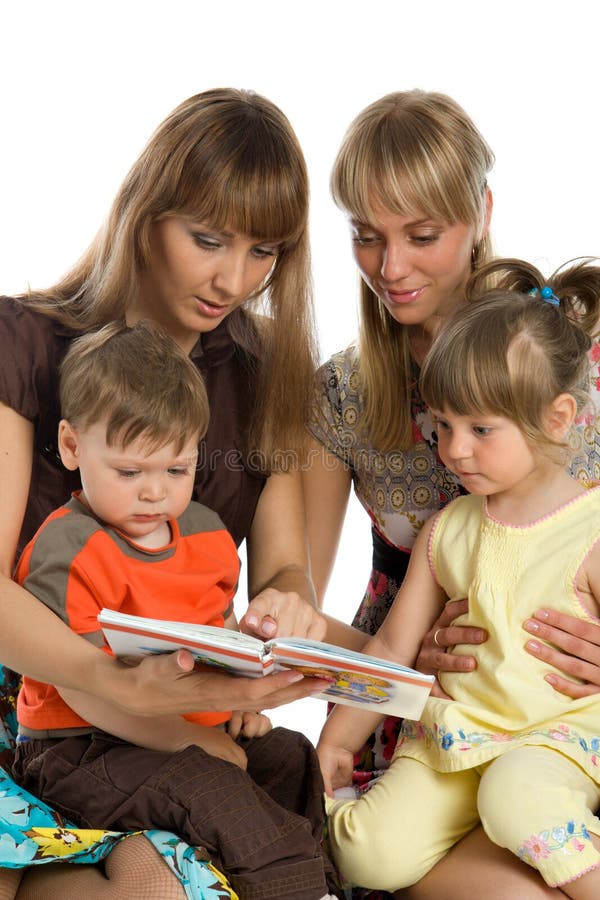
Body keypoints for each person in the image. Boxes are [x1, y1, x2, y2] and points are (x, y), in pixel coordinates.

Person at [0, 88, 351, 898]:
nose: (235, 279)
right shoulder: (27, 343)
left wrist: (288, 606)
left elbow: (284, 572)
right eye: (208, 240)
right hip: (46, 710)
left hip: (176, 723)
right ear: (146, 215)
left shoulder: (263, 372)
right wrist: (118, 685)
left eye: (265, 251)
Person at [303, 89, 600, 899]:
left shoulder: (568, 358)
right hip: (424, 725)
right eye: (366, 236)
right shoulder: (344, 393)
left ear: (481, 214)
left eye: (422, 235)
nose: (390, 268)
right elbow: (300, 605)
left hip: (565, 728)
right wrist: (389, 683)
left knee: (531, 819)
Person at [11, 321, 338, 900]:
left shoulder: (206, 533)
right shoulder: (66, 547)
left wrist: (239, 705)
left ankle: (316, 880)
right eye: (130, 472)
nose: (155, 492)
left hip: (182, 729)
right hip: (81, 745)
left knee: (289, 756)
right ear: (72, 446)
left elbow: (218, 635)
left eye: (177, 469)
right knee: (214, 790)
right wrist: (187, 740)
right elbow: (84, 688)